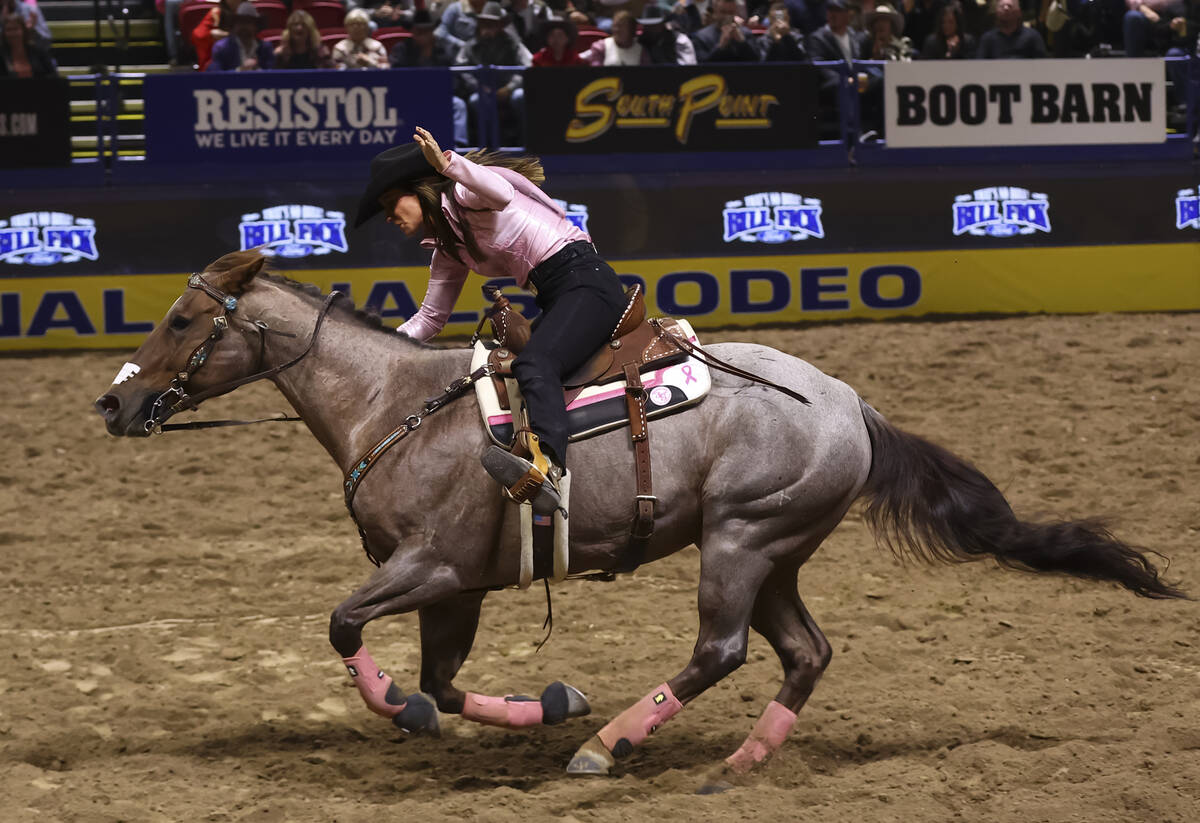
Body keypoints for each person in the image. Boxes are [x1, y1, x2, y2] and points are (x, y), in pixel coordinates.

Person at [354, 129, 630, 512]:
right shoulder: (449, 249)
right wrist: (375, 346)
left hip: (585, 280)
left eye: (390, 202)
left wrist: (448, 165)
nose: (387, 216)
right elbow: (429, 320)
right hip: (562, 291)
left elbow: (500, 193)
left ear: (419, 189)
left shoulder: (464, 194)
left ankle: (547, 469)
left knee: (535, 363)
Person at [455, 1, 531, 143]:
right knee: (476, 100)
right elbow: (461, 69)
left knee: (519, 96)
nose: (487, 28)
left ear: (500, 26)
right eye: (484, 23)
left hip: (508, 89)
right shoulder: (470, 45)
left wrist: (509, 88)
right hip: (481, 90)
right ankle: (486, 145)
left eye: (492, 24)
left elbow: (527, 65)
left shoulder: (513, 43)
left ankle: (524, 142)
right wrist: (479, 86)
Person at [391, 10, 470, 146]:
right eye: (419, 31)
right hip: (410, 97)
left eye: (426, 31)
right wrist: (421, 56)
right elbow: (395, 77)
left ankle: (458, 147)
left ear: (432, 31)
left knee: (458, 105)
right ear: (412, 31)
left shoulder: (444, 49)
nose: (423, 35)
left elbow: (456, 79)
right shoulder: (402, 49)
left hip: (441, 96)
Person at [206, 2, 274, 71]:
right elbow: (215, 74)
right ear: (234, 25)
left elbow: (271, 73)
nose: (243, 27)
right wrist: (240, 70)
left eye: (248, 22)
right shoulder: (221, 47)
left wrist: (258, 70)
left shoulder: (265, 47)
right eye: (240, 22)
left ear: (256, 25)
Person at [690, 0, 764, 61]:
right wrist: (721, 46)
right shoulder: (700, 37)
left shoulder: (746, 34)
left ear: (736, 12)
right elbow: (701, 67)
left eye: (731, 12)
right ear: (715, 11)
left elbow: (757, 61)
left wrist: (742, 42)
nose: (727, 17)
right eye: (723, 12)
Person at [976, 0, 1047, 56]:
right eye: (1002, 6)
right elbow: (979, 65)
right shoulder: (988, 39)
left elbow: (1042, 64)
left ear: (1019, 12)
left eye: (1010, 6)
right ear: (996, 12)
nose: (1006, 8)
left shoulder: (1032, 37)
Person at [0, 8, 55, 76]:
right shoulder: (1, 55)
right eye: (8, 30)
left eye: (16, 29)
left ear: (23, 31)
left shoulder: (39, 52)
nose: (13, 33)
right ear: (3, 33)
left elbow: (53, 75)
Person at [580, 9, 646, 62]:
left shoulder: (640, 50)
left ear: (631, 29)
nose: (617, 30)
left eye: (621, 26)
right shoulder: (601, 47)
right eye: (615, 26)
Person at [191, 0, 240, 71]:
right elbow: (198, 35)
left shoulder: (245, 11)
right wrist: (211, 35)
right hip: (217, 54)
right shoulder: (216, 13)